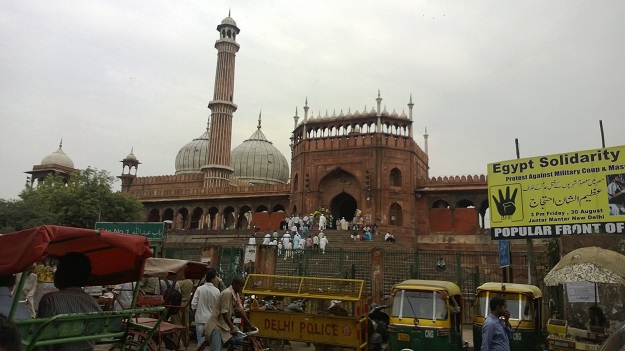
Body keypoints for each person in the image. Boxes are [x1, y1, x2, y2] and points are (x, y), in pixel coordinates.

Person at [38, 252, 103, 351]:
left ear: (63, 274)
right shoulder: (92, 301)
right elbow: (98, 336)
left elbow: (44, 340)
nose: (55, 273)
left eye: (58, 270)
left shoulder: (50, 299)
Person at [204, 276, 256, 351]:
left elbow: (240, 310)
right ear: (235, 284)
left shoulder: (235, 294)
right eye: (240, 286)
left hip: (224, 326)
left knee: (240, 337)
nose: (241, 288)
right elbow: (224, 313)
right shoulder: (227, 293)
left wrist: (250, 325)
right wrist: (232, 327)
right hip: (216, 326)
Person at [191, 269, 220, 346]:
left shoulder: (199, 289)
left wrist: (195, 313)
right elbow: (218, 306)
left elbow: (193, 304)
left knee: (200, 339)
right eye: (216, 277)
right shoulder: (217, 291)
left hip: (200, 318)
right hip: (211, 320)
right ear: (212, 278)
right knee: (211, 341)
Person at [170, 278, 193, 348]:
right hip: (186, 304)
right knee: (186, 324)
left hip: (178, 303)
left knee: (176, 324)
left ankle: (176, 343)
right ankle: (186, 342)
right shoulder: (190, 282)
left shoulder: (178, 283)